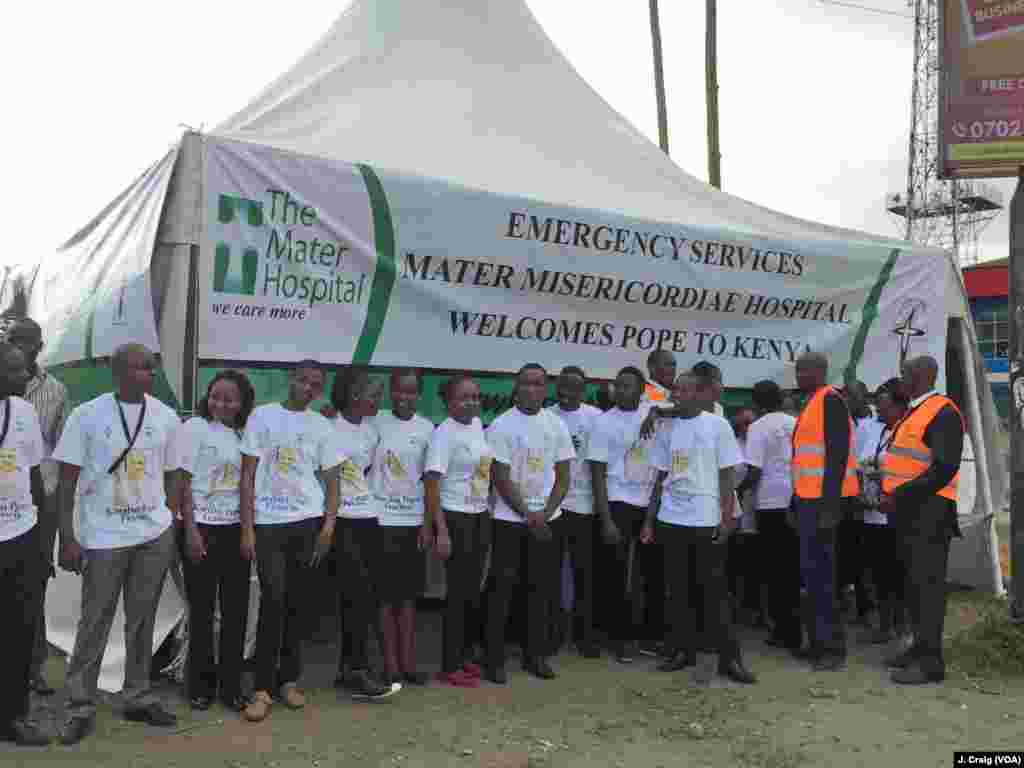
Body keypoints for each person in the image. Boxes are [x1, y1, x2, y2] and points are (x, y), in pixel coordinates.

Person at [55, 344, 181, 744]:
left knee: (141, 620)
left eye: (152, 367)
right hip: (104, 536)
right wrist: (68, 536)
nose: (151, 373)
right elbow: (67, 481)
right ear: (120, 372)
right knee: (95, 621)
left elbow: (175, 475)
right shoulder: (86, 415)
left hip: (152, 535)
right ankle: (79, 704)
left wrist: (169, 521)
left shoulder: (164, 416)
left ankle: (137, 696)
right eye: (144, 367)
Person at [239, 359, 342, 722]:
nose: (307, 388)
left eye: (315, 384)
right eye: (302, 380)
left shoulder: (323, 427)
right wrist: (248, 528)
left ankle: (289, 681)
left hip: (308, 523)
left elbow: (332, 481)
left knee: (299, 603)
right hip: (269, 524)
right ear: (290, 380)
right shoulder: (262, 417)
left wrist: (328, 527)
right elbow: (248, 477)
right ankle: (262, 688)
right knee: (274, 599)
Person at [643, 373, 756, 685]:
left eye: (684, 390)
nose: (677, 394)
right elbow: (659, 477)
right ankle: (682, 651)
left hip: (706, 517)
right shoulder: (667, 428)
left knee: (715, 591)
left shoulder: (716, 425)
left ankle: (729, 658)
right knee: (677, 590)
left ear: (699, 393)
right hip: (672, 517)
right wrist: (650, 521)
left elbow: (726, 476)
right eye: (675, 390)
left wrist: (726, 517)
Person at [485, 363, 574, 683]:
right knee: (502, 590)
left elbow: (564, 477)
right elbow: (500, 477)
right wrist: (527, 514)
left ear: (545, 388)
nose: (532, 390)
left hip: (549, 520)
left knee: (541, 591)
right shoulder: (501, 425)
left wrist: (546, 513)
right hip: (510, 520)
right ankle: (493, 659)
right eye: (526, 384)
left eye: (538, 384)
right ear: (516, 387)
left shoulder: (556, 425)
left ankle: (534, 656)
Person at [174, 370, 255, 712]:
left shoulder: (246, 433)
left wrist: (248, 532)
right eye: (215, 396)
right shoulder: (194, 428)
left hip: (235, 530)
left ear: (242, 403)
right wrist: (191, 530)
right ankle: (200, 685)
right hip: (201, 528)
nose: (221, 403)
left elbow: (249, 483)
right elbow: (183, 482)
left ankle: (231, 687)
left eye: (229, 398)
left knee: (236, 610)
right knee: (203, 610)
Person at [881, 356, 964, 685]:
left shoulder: (943, 411)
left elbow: (943, 468)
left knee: (928, 589)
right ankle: (918, 647)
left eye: (905, 374)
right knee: (913, 587)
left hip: (929, 514)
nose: (901, 379)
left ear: (922, 376)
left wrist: (899, 495)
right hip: (909, 513)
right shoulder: (916, 411)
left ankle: (931, 664)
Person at [6, 317, 68, 697]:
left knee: (34, 584)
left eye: (26, 341)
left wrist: (57, 510)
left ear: (39, 347)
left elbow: (60, 453)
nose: (20, 347)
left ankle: (33, 666)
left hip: (39, 501)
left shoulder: (55, 391)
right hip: (4, 500)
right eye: (13, 340)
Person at [328, 367, 396, 700]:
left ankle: (351, 668)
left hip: (369, 518)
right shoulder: (329, 429)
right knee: (354, 595)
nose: (379, 399)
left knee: (365, 597)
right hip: (341, 520)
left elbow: (366, 471)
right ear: (354, 395)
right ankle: (355, 670)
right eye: (373, 393)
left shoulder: (371, 430)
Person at [790, 352, 859, 672]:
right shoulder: (811, 402)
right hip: (807, 502)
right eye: (797, 370)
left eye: (804, 370)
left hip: (823, 505)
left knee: (824, 577)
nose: (799, 375)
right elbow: (804, 462)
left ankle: (832, 649)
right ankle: (818, 643)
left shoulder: (830, 400)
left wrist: (830, 508)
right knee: (811, 577)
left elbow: (837, 456)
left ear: (820, 371)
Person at [588, 366, 660, 663]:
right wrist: (605, 520)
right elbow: (597, 472)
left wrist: (655, 412)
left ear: (642, 389)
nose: (620, 390)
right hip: (617, 503)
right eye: (617, 386)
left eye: (627, 386)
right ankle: (619, 639)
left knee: (648, 576)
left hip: (649, 505)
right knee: (615, 576)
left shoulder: (653, 415)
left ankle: (646, 635)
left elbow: (677, 408)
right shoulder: (604, 422)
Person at [425, 375, 492, 687]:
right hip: (455, 518)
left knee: (470, 592)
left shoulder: (478, 427)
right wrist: (441, 531)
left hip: (479, 515)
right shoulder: (444, 434)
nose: (472, 402)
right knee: (456, 595)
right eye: (465, 397)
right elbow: (433, 485)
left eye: (476, 397)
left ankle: (464, 657)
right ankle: (449, 665)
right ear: (449, 402)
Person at [0, 341, 51, 746]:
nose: (26, 375)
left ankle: (14, 716)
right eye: (15, 369)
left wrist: (41, 542)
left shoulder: (25, 412)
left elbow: (34, 476)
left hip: (20, 536)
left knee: (18, 631)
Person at [372, 369, 434, 686]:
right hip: (381, 521)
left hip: (413, 523)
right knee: (385, 596)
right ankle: (391, 664)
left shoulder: (426, 429)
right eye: (398, 390)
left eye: (410, 392)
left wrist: (427, 524)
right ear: (390, 392)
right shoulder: (376, 420)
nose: (403, 397)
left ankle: (409, 663)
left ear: (418, 395)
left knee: (408, 596)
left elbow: (430, 481)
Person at [736, 380, 800, 651]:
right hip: (796, 499)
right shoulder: (794, 422)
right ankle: (794, 630)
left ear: (757, 403)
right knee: (792, 569)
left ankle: (784, 631)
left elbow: (755, 471)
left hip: (770, 503)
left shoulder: (759, 428)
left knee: (774, 571)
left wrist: (737, 492)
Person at [548, 367, 602, 658]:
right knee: (552, 574)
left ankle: (585, 637)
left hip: (585, 506)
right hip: (554, 507)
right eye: (563, 388)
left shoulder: (595, 418)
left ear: (584, 391)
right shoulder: (548, 416)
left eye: (574, 389)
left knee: (585, 574)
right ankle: (552, 635)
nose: (568, 394)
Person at [857, 378, 909, 645]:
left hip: (896, 515)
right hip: (871, 513)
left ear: (901, 406)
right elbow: (859, 464)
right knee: (879, 574)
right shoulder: (874, 430)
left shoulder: (908, 432)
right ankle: (885, 625)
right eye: (877, 407)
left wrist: (883, 476)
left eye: (885, 407)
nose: (880, 412)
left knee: (898, 573)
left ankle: (902, 627)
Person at [837, 380, 874, 624]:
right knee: (845, 550)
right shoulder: (841, 422)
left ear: (863, 396)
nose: (846, 400)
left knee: (865, 556)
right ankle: (846, 601)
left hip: (868, 499)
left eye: (851, 395)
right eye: (844, 395)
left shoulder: (874, 425)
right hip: (845, 497)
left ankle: (867, 607)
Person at [727, 407, 763, 627]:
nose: (747, 427)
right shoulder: (732, 446)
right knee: (735, 565)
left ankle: (756, 610)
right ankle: (737, 610)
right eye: (743, 424)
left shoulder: (760, 443)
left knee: (756, 567)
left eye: (750, 423)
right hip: (736, 514)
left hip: (758, 511)